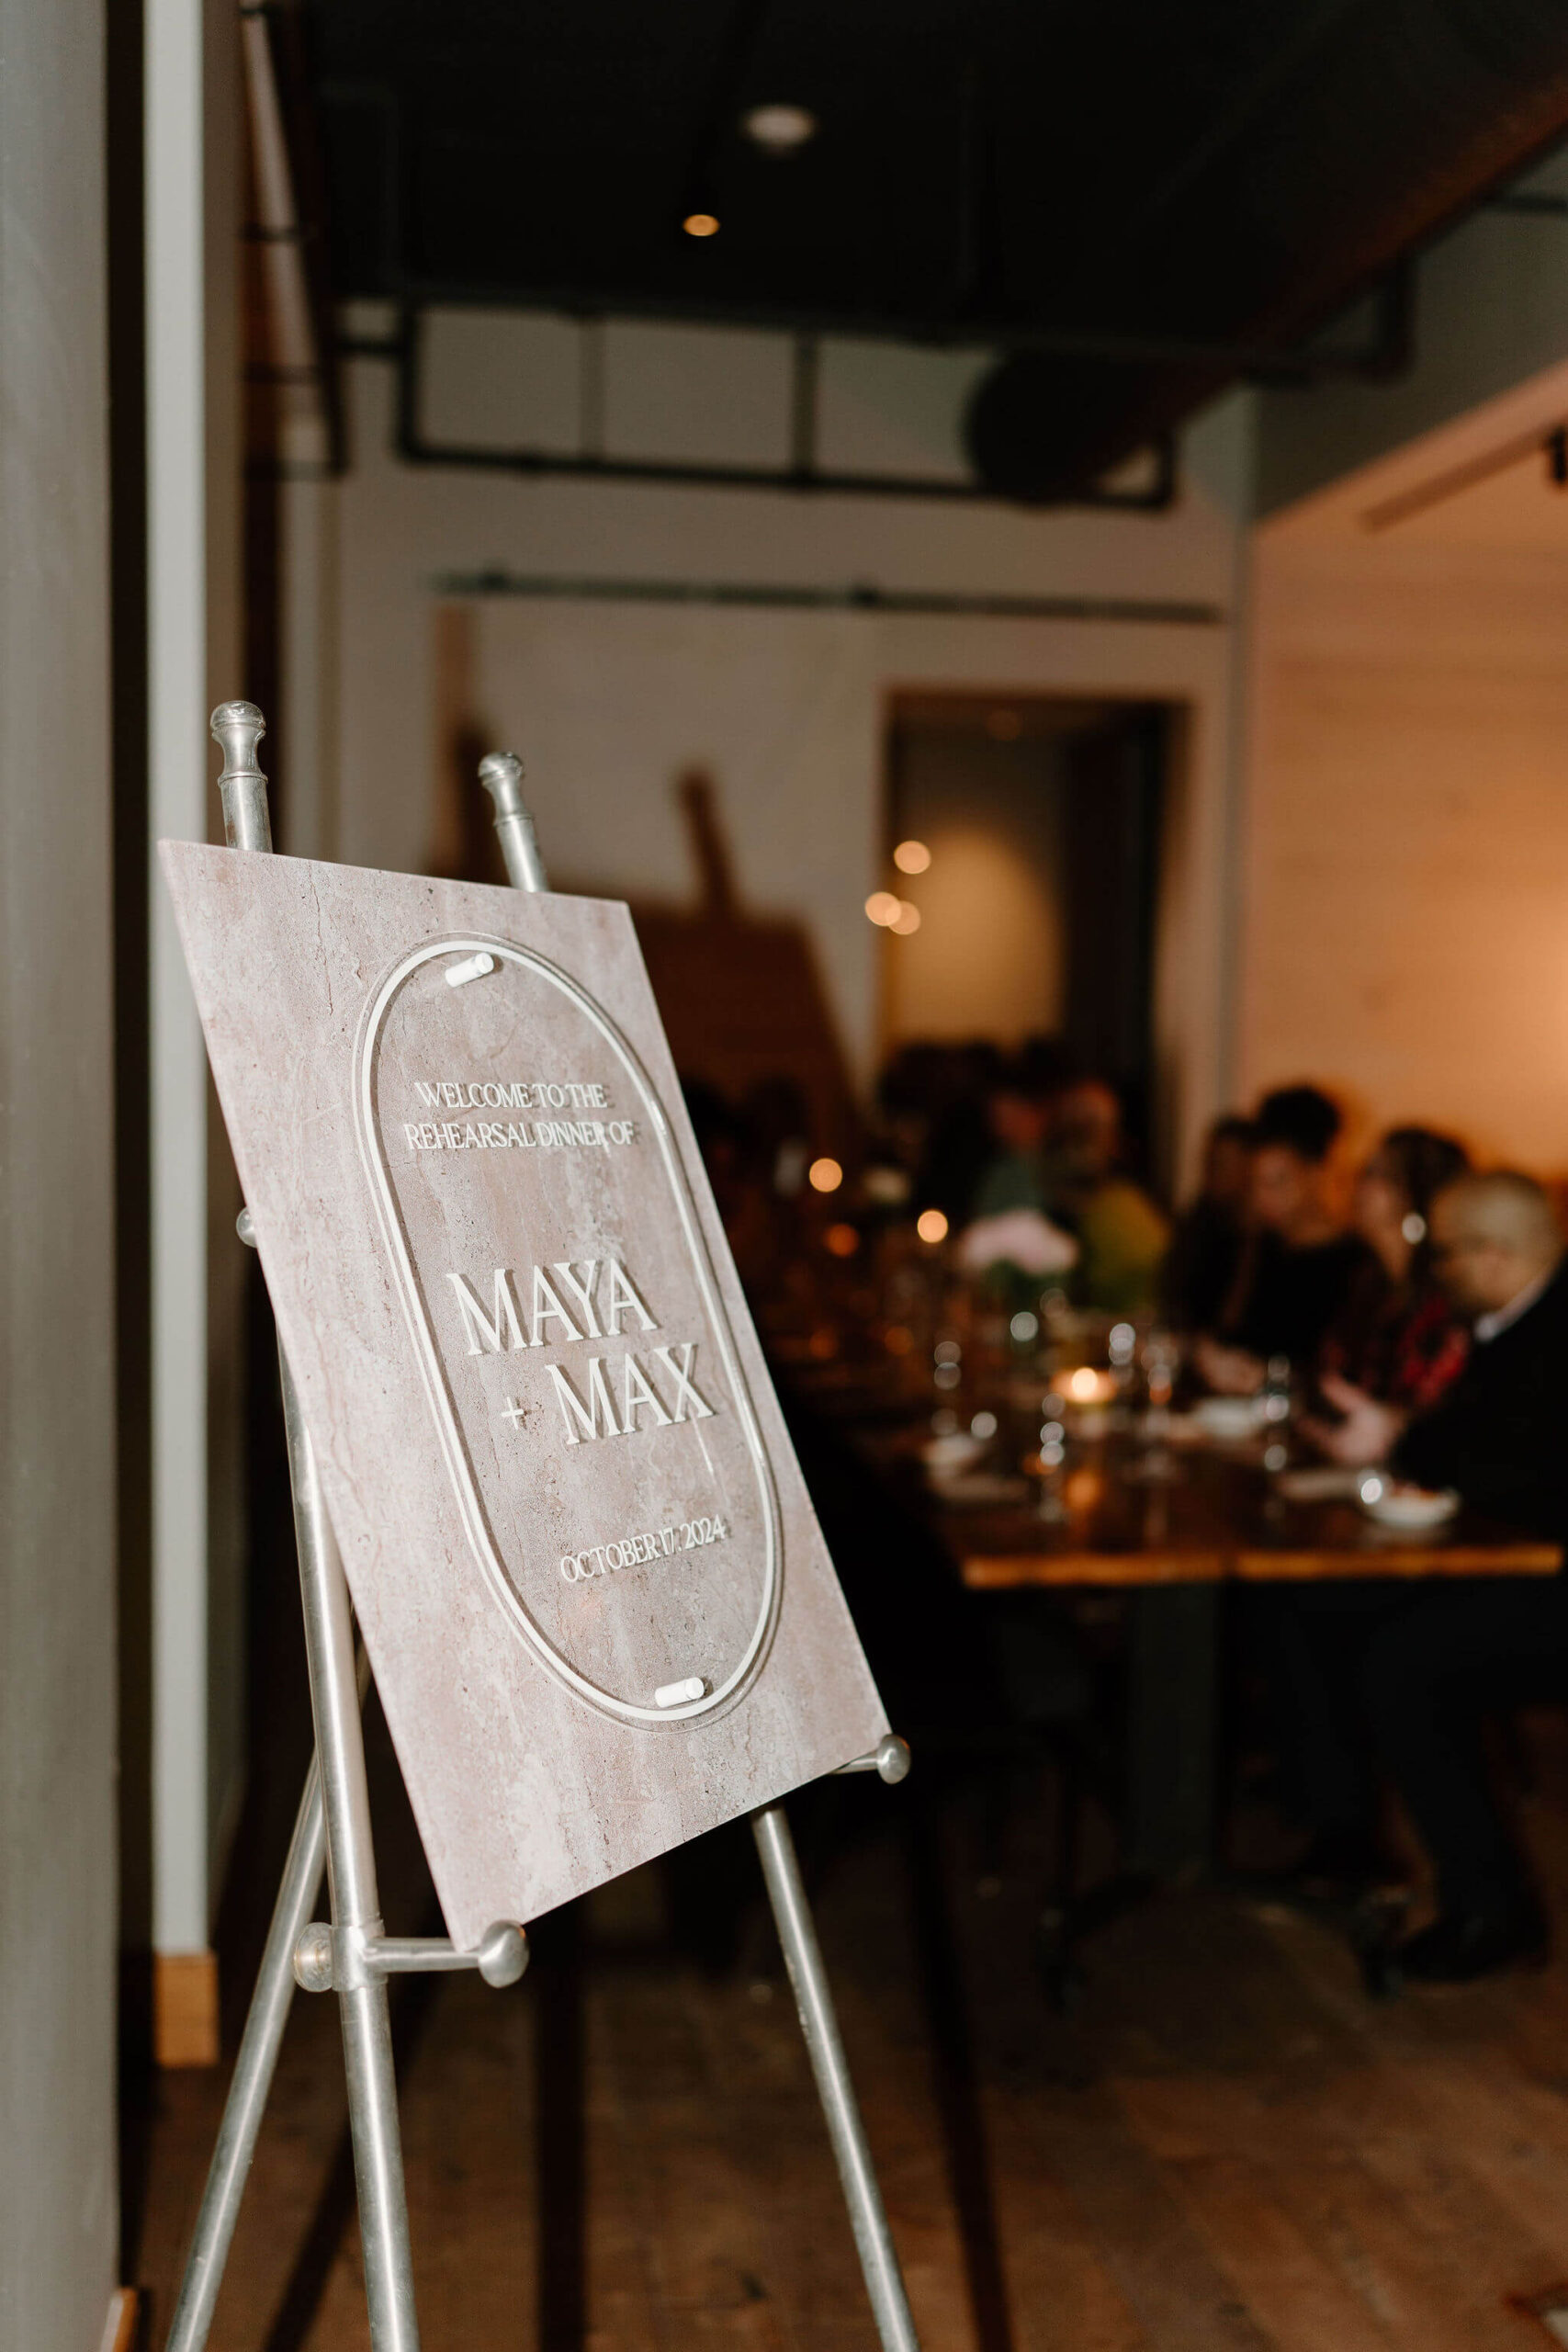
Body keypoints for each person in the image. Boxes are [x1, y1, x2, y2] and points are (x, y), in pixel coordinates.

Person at [1266, 1171, 1568, 1981]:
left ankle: (1491, 1911)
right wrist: (1401, 1437)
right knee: (1319, 1604)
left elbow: (1505, 1467)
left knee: (1406, 1660)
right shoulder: (1513, 1318)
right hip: (1512, 1557)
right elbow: (1474, 1448)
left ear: (1496, 1255)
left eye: (1443, 1256)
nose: (1432, 1274)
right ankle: (1346, 1839)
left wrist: (1396, 1437)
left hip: (1547, 1578)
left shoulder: (1552, 1331)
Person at [1197, 1084, 1372, 1391]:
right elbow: (1225, 1331)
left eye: (1277, 1182)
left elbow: (1347, 1368)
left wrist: (1271, 1377)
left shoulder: (1357, 1262)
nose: (1263, 1197)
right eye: (1256, 1183)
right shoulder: (1256, 1245)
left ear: (1316, 1173)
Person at [1309, 1125, 1471, 1426]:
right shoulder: (1367, 1280)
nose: (1357, 1183)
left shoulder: (1446, 1299)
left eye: (1375, 1173)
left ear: (1414, 1193)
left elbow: (1435, 1415)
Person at [1043, 1078, 1169, 1316]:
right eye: (1075, 1126)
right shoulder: (1057, 1191)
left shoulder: (1125, 1199)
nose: (1082, 1141)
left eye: (1091, 1127)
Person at [1163, 1114, 1255, 1330]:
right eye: (1210, 1161)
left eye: (1223, 1163)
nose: (1212, 1171)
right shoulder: (1198, 1220)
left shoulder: (1258, 1235)